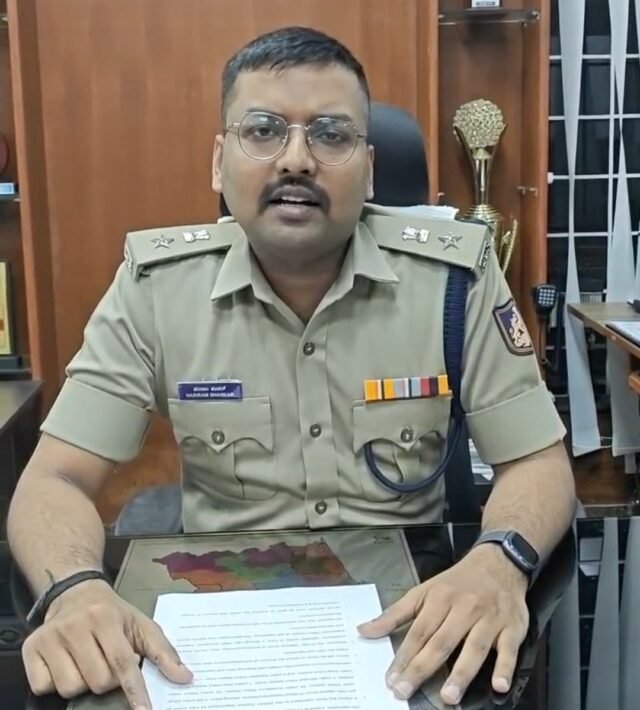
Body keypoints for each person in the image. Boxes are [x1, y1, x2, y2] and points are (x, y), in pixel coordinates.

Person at [7, 25, 576, 709]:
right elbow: (53, 480)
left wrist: (498, 562)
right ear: (219, 161)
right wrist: (75, 590)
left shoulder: (452, 278)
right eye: (263, 131)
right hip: (218, 635)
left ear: (370, 170)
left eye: (331, 135)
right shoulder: (158, 287)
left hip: (411, 629)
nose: (297, 160)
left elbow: (539, 463)